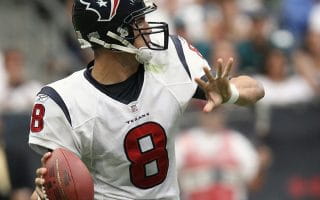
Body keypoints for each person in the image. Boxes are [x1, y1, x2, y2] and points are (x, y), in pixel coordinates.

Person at [29, 0, 264, 199]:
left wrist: (229, 92)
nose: (148, 27)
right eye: (138, 22)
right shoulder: (63, 101)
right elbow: (50, 185)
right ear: (110, 36)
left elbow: (256, 90)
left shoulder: (170, 59)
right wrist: (45, 191)